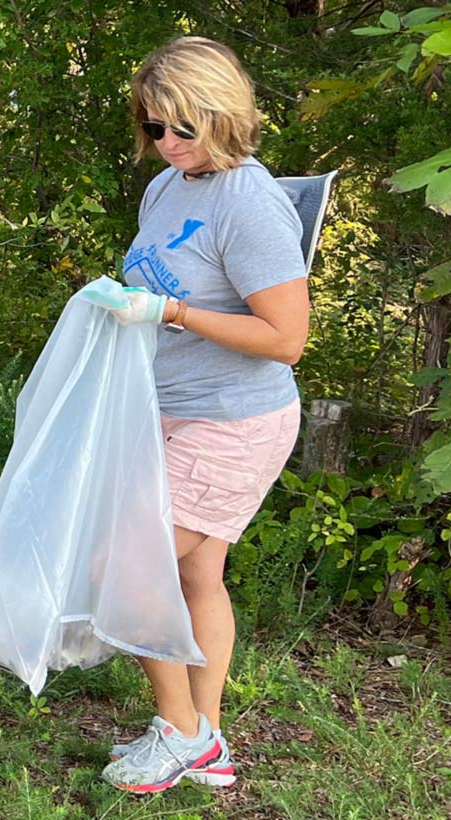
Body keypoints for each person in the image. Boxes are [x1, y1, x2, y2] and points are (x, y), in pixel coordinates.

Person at [98, 36, 311, 794]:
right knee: (195, 576)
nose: (167, 144)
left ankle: (180, 732)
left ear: (223, 114)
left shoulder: (248, 202)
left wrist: (175, 312)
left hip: (233, 420)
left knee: (132, 566)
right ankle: (206, 738)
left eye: (182, 127)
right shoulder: (167, 188)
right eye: (154, 128)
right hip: (168, 407)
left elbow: (287, 339)